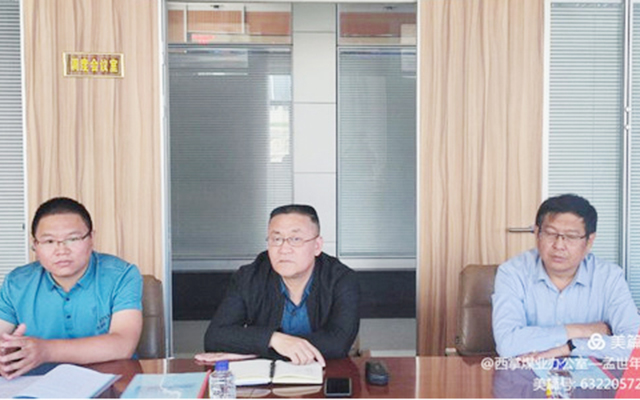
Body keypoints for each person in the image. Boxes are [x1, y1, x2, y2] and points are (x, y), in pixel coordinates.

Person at [0, 197, 143, 379]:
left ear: (91, 239)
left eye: (73, 239)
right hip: (35, 385)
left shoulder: (122, 275)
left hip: (109, 384)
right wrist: (4, 356)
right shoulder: (16, 283)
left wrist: (46, 350)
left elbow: (123, 345)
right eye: (49, 241)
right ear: (35, 245)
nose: (61, 250)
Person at [204, 204, 360, 366]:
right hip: (264, 378)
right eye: (276, 239)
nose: (284, 249)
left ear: (317, 246)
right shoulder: (249, 277)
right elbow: (214, 338)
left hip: (325, 373)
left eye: (295, 239)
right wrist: (274, 339)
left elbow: (338, 343)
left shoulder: (342, 279)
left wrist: (257, 348)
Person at [492, 194, 640, 360]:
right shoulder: (512, 273)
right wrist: (583, 331)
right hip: (527, 373)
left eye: (571, 236)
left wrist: (571, 347)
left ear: (589, 241)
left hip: (592, 374)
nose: (559, 245)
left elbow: (634, 344)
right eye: (550, 233)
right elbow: (507, 344)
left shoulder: (609, 277)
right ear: (537, 234)